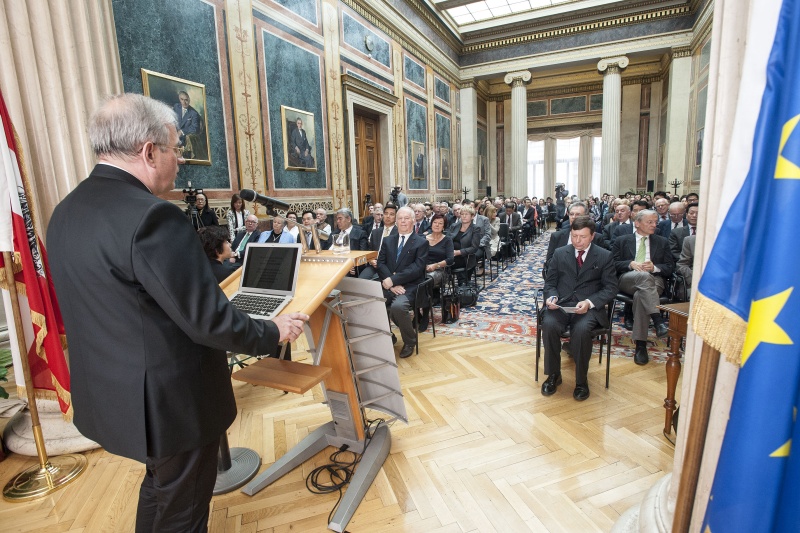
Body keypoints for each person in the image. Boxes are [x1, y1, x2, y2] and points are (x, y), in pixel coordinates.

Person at [46, 93, 309, 532]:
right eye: (176, 148)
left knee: (163, 490)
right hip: (171, 403)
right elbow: (207, 320)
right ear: (150, 152)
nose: (180, 160)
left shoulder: (66, 212)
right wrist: (272, 330)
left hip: (116, 395)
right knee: (184, 514)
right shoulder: (153, 218)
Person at [541, 216, 618, 401]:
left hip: (588, 307)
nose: (577, 241)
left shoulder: (604, 255)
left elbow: (611, 288)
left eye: (582, 237)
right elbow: (550, 283)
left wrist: (590, 303)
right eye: (574, 236)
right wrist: (551, 297)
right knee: (549, 325)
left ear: (592, 236)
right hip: (561, 306)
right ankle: (553, 375)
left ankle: (581, 381)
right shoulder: (560, 253)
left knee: (582, 330)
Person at [613, 209, 674, 365]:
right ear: (637, 223)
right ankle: (657, 319)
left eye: (655, 222)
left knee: (641, 295)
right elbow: (611, 264)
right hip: (628, 279)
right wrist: (629, 264)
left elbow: (670, 267)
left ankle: (640, 345)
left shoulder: (662, 242)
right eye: (650, 222)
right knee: (643, 277)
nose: (654, 225)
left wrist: (654, 268)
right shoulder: (622, 240)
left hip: (655, 281)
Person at [376, 206, 429, 358]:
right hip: (389, 285)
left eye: (406, 218)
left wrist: (393, 280)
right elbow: (381, 263)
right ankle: (388, 335)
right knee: (373, 303)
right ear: (396, 221)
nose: (403, 221)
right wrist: (391, 283)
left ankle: (410, 340)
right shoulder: (388, 241)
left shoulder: (421, 242)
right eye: (400, 218)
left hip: (411, 287)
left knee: (398, 307)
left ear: (413, 220)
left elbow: (417, 268)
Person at [447, 205, 481, 284]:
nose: (464, 216)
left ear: (472, 216)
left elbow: (474, 248)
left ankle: (462, 285)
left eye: (467, 214)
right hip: (450, 255)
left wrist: (458, 252)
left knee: (448, 264)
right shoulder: (454, 226)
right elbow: (447, 240)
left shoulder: (475, 229)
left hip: (466, 257)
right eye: (462, 214)